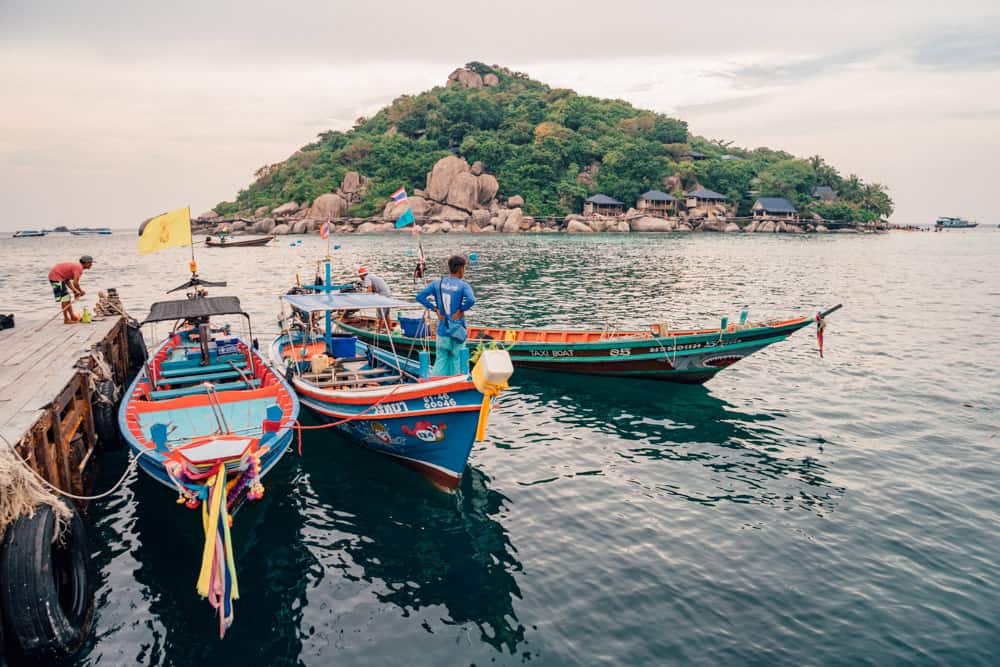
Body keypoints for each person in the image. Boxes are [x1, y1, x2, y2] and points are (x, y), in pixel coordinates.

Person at [416, 255, 476, 376]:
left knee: (441, 360)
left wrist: (435, 309)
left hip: (442, 330)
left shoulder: (437, 284)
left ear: (449, 268)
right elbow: (471, 300)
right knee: (457, 361)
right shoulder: (463, 285)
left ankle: (437, 387)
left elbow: (420, 297)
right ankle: (455, 386)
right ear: (461, 269)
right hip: (457, 331)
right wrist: (461, 310)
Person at [48, 255, 93, 323]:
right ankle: (66, 319)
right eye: (90, 263)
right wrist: (80, 291)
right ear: (86, 263)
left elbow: (67, 280)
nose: (91, 265)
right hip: (55, 277)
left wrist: (75, 291)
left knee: (67, 298)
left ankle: (72, 317)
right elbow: (75, 283)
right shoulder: (79, 268)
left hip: (58, 277)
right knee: (65, 299)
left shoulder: (77, 267)